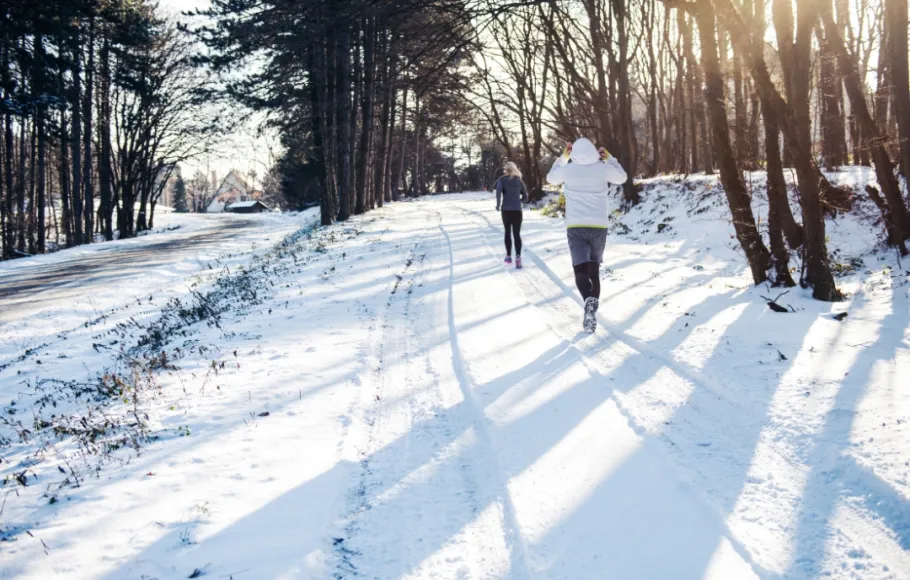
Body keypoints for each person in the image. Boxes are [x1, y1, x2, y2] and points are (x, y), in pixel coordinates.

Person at [546, 137, 628, 333]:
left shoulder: (568, 168)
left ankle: (587, 302)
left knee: (580, 270)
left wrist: (564, 157)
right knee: (594, 270)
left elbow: (550, 178)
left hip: (575, 226)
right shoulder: (602, 167)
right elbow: (622, 177)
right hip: (599, 226)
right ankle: (592, 306)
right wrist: (609, 158)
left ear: (573, 152)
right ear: (593, 151)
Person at [495, 161, 530, 269]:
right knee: (516, 234)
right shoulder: (519, 181)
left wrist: (498, 205)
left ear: (506, 170)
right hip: (517, 210)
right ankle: (518, 257)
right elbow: (526, 197)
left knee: (507, 232)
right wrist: (518, 201)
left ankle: (509, 256)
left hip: (505, 210)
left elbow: (498, 192)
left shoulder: (502, 180)